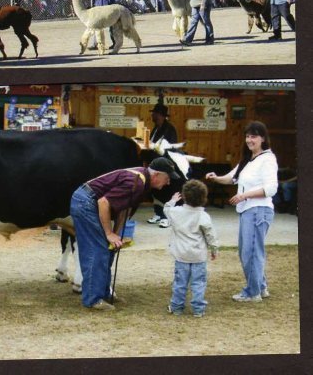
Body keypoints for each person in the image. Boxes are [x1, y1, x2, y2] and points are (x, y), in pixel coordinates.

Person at [70, 157, 181, 311]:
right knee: (97, 250)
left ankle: (103, 293)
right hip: (85, 202)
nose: (168, 182)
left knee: (107, 249)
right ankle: (93, 299)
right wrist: (109, 233)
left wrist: (116, 236)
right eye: (167, 178)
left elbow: (124, 209)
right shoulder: (137, 182)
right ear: (156, 175)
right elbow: (103, 203)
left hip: (88, 201)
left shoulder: (142, 183)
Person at [206, 121, 278, 302]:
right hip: (247, 211)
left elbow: (271, 189)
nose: (249, 140)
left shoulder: (268, 159)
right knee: (247, 251)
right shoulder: (248, 159)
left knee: (251, 252)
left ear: (263, 138)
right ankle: (260, 287)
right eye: (247, 136)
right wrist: (216, 178)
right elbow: (232, 178)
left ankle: (252, 293)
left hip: (259, 211)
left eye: (253, 136)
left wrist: (244, 195)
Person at [163, 180, 219, 317]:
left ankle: (176, 307)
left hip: (181, 256)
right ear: (204, 198)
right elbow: (210, 235)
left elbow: (166, 209)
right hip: (198, 256)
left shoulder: (176, 212)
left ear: (184, 196)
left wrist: (172, 200)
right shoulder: (203, 216)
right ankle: (198, 309)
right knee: (198, 283)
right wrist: (214, 249)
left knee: (180, 283)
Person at [147, 104, 178, 227]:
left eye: (154, 113)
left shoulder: (169, 129)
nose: (152, 115)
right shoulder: (155, 128)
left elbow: (171, 148)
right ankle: (158, 213)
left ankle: (166, 216)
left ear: (161, 115)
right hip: (155, 164)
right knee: (156, 191)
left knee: (165, 191)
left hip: (165, 164)